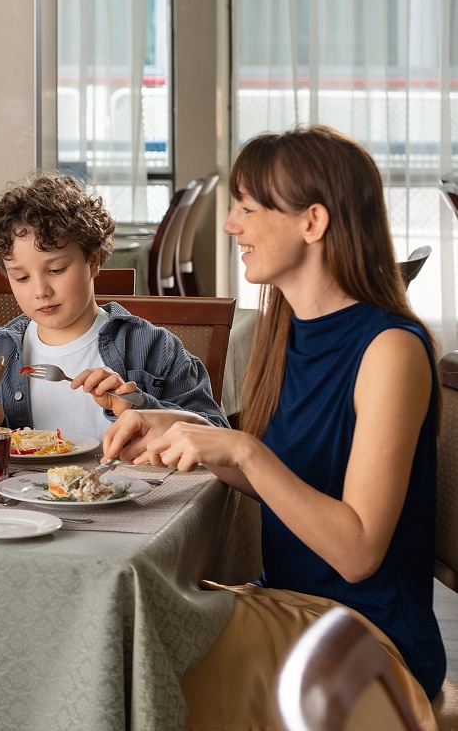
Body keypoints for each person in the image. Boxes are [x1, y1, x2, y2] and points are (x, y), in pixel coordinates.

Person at [103, 125, 443, 729]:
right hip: (288, 605)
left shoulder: (390, 350)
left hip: (366, 638)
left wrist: (241, 449)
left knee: (135, 651)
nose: (231, 225)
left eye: (248, 207)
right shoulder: (287, 330)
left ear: (313, 222)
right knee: (125, 623)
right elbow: (291, 477)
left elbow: (358, 552)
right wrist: (182, 427)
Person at [0, 170, 227, 438]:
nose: (41, 291)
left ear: (93, 261)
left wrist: (137, 406)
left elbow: (217, 435)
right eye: (22, 277)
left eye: (56, 270)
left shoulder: (151, 347)